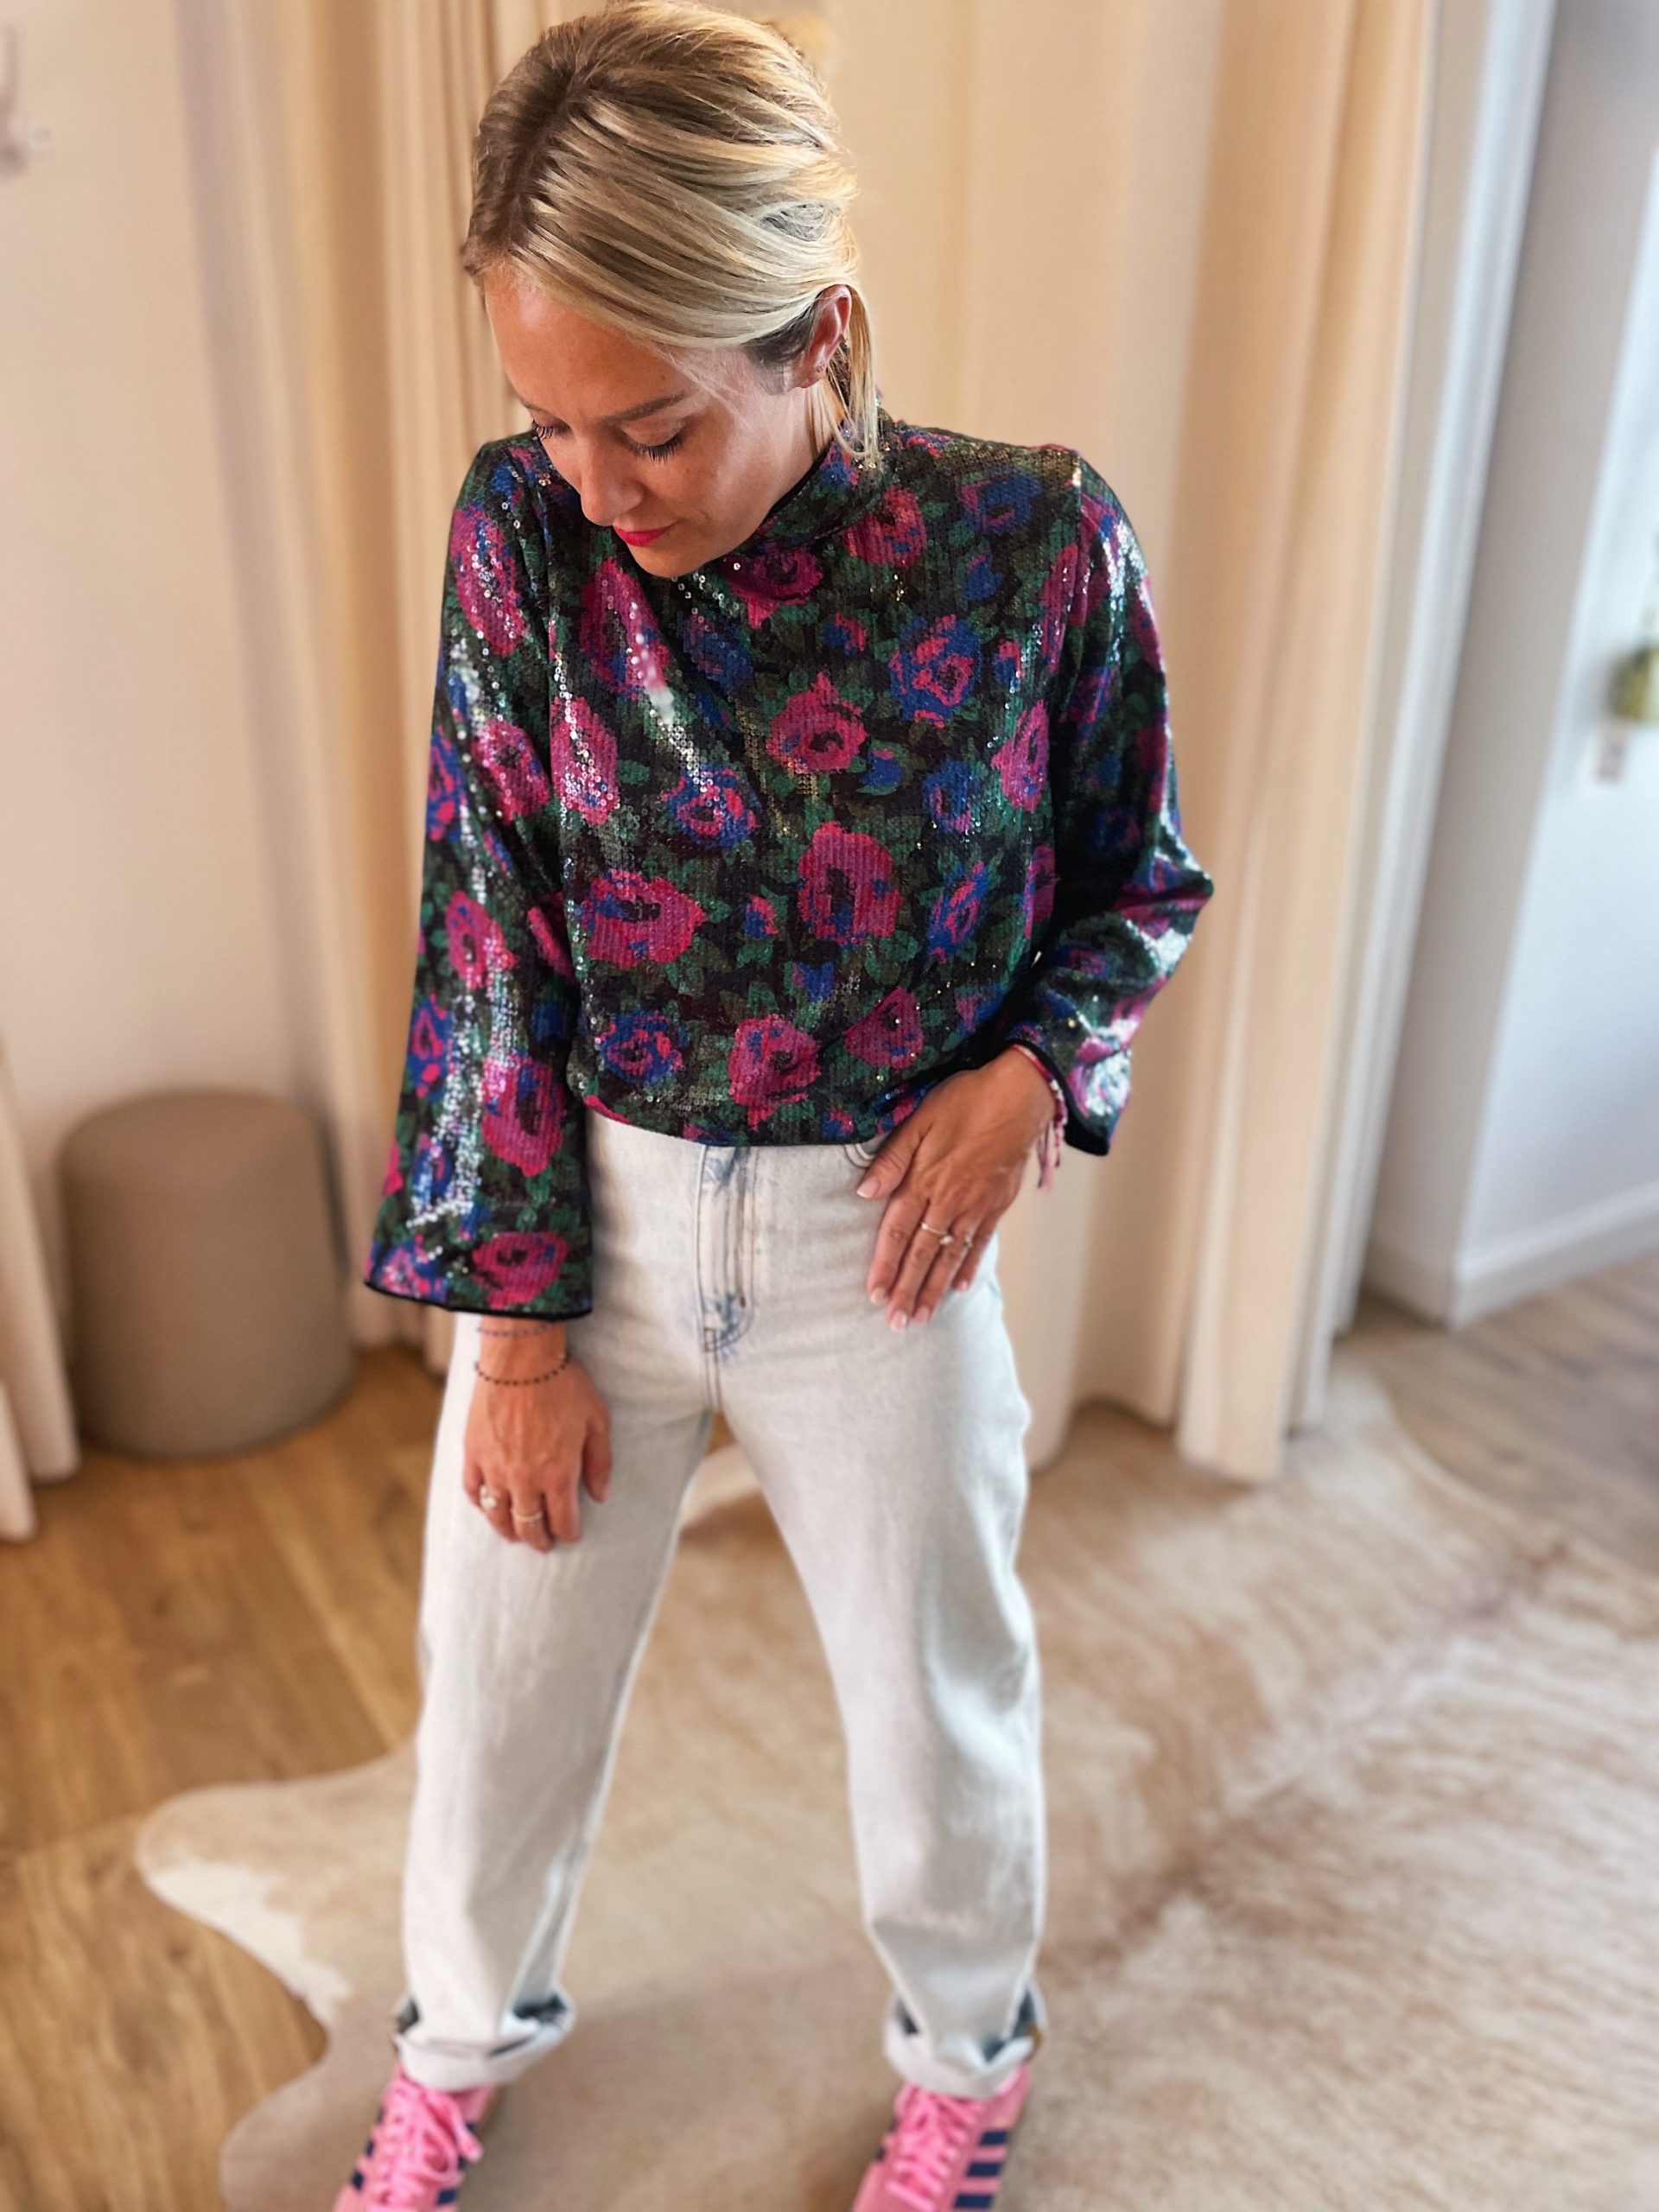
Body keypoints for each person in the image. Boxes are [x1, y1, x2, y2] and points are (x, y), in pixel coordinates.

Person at [340, 3, 1215, 2205]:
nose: (593, 483)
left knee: (938, 1709)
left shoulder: (1034, 544)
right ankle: (452, 2044)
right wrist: (515, 1335)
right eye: (548, 419)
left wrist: (1035, 1070)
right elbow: (487, 918)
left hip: (882, 1243)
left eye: (650, 425)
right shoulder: (522, 540)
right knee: (496, 1701)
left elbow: (1139, 878)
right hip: (589, 1223)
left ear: (814, 333)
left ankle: (967, 2061)